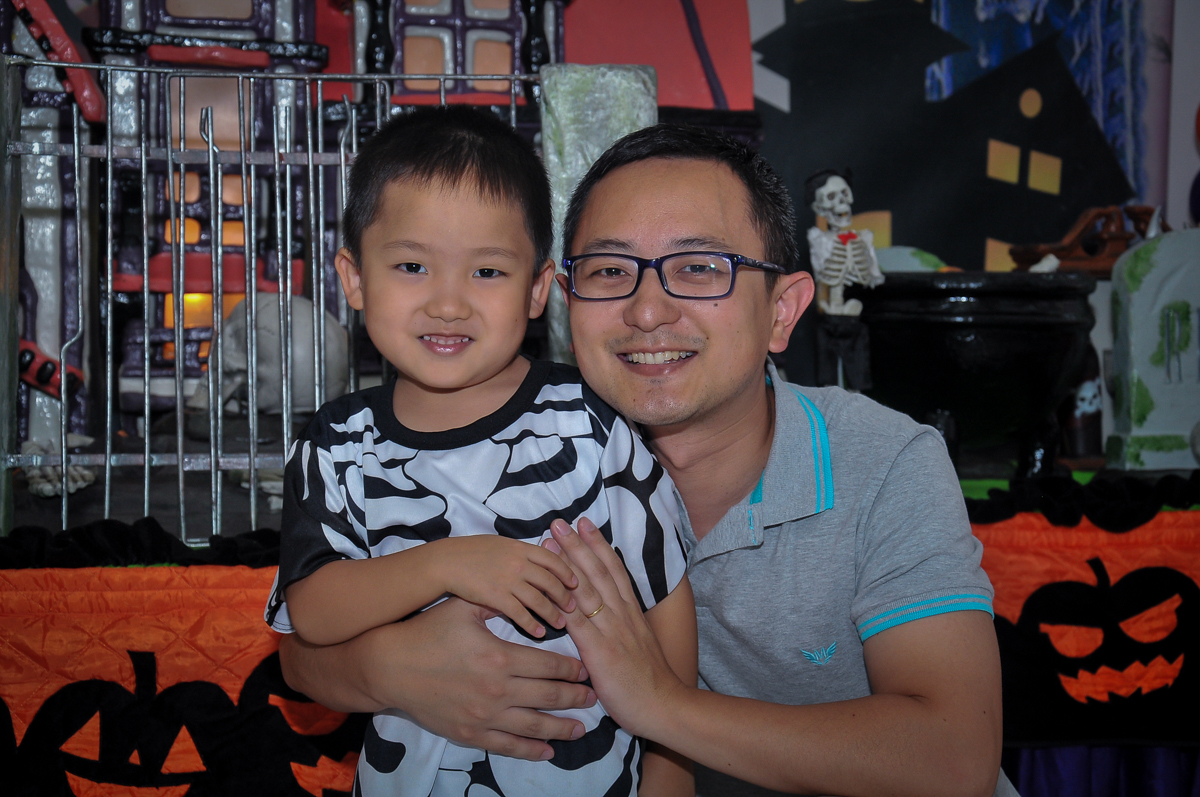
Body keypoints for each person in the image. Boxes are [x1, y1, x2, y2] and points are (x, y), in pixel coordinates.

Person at [277, 123, 1010, 797]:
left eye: (698, 267)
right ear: (563, 297)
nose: (648, 308)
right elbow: (301, 651)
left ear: (782, 310)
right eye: (609, 269)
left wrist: (661, 706)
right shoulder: (543, 444)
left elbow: (953, 759)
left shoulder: (883, 461)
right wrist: (392, 667)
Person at [264, 107, 696, 797]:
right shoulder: (337, 446)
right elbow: (310, 612)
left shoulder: (590, 424)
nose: (448, 304)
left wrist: (673, 769)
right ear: (353, 278)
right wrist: (448, 563)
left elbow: (666, 594)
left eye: (487, 272)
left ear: (535, 289)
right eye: (411, 265)